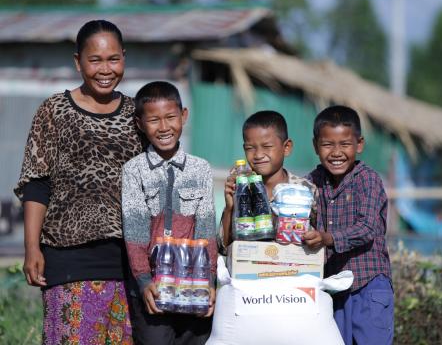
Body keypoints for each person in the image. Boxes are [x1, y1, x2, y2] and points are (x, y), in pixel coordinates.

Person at [14, 20, 143, 343]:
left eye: (113, 59)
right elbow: (37, 182)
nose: (105, 69)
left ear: (124, 58)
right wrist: (31, 248)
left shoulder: (137, 115)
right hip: (67, 260)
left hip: (128, 265)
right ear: (78, 62)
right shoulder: (54, 111)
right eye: (95, 60)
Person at [122, 81, 217, 345]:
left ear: (184, 116)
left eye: (170, 117)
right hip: (153, 285)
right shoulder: (134, 170)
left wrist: (209, 281)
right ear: (140, 124)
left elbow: (206, 228)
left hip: (194, 284)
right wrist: (142, 281)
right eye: (153, 120)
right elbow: (135, 231)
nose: (164, 127)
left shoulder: (200, 168)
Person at [303, 105, 394, 345]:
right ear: (315, 146)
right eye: (327, 144)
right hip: (333, 290)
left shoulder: (368, 179)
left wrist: (326, 238)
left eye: (344, 144)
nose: (336, 152)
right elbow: (294, 210)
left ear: (359, 144)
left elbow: (366, 229)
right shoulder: (312, 181)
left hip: (369, 286)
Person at [218, 110, 317, 252]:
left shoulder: (304, 190)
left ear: (286, 148)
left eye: (267, 147)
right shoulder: (242, 188)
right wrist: (230, 208)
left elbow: (319, 239)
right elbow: (224, 247)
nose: (258, 155)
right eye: (250, 148)